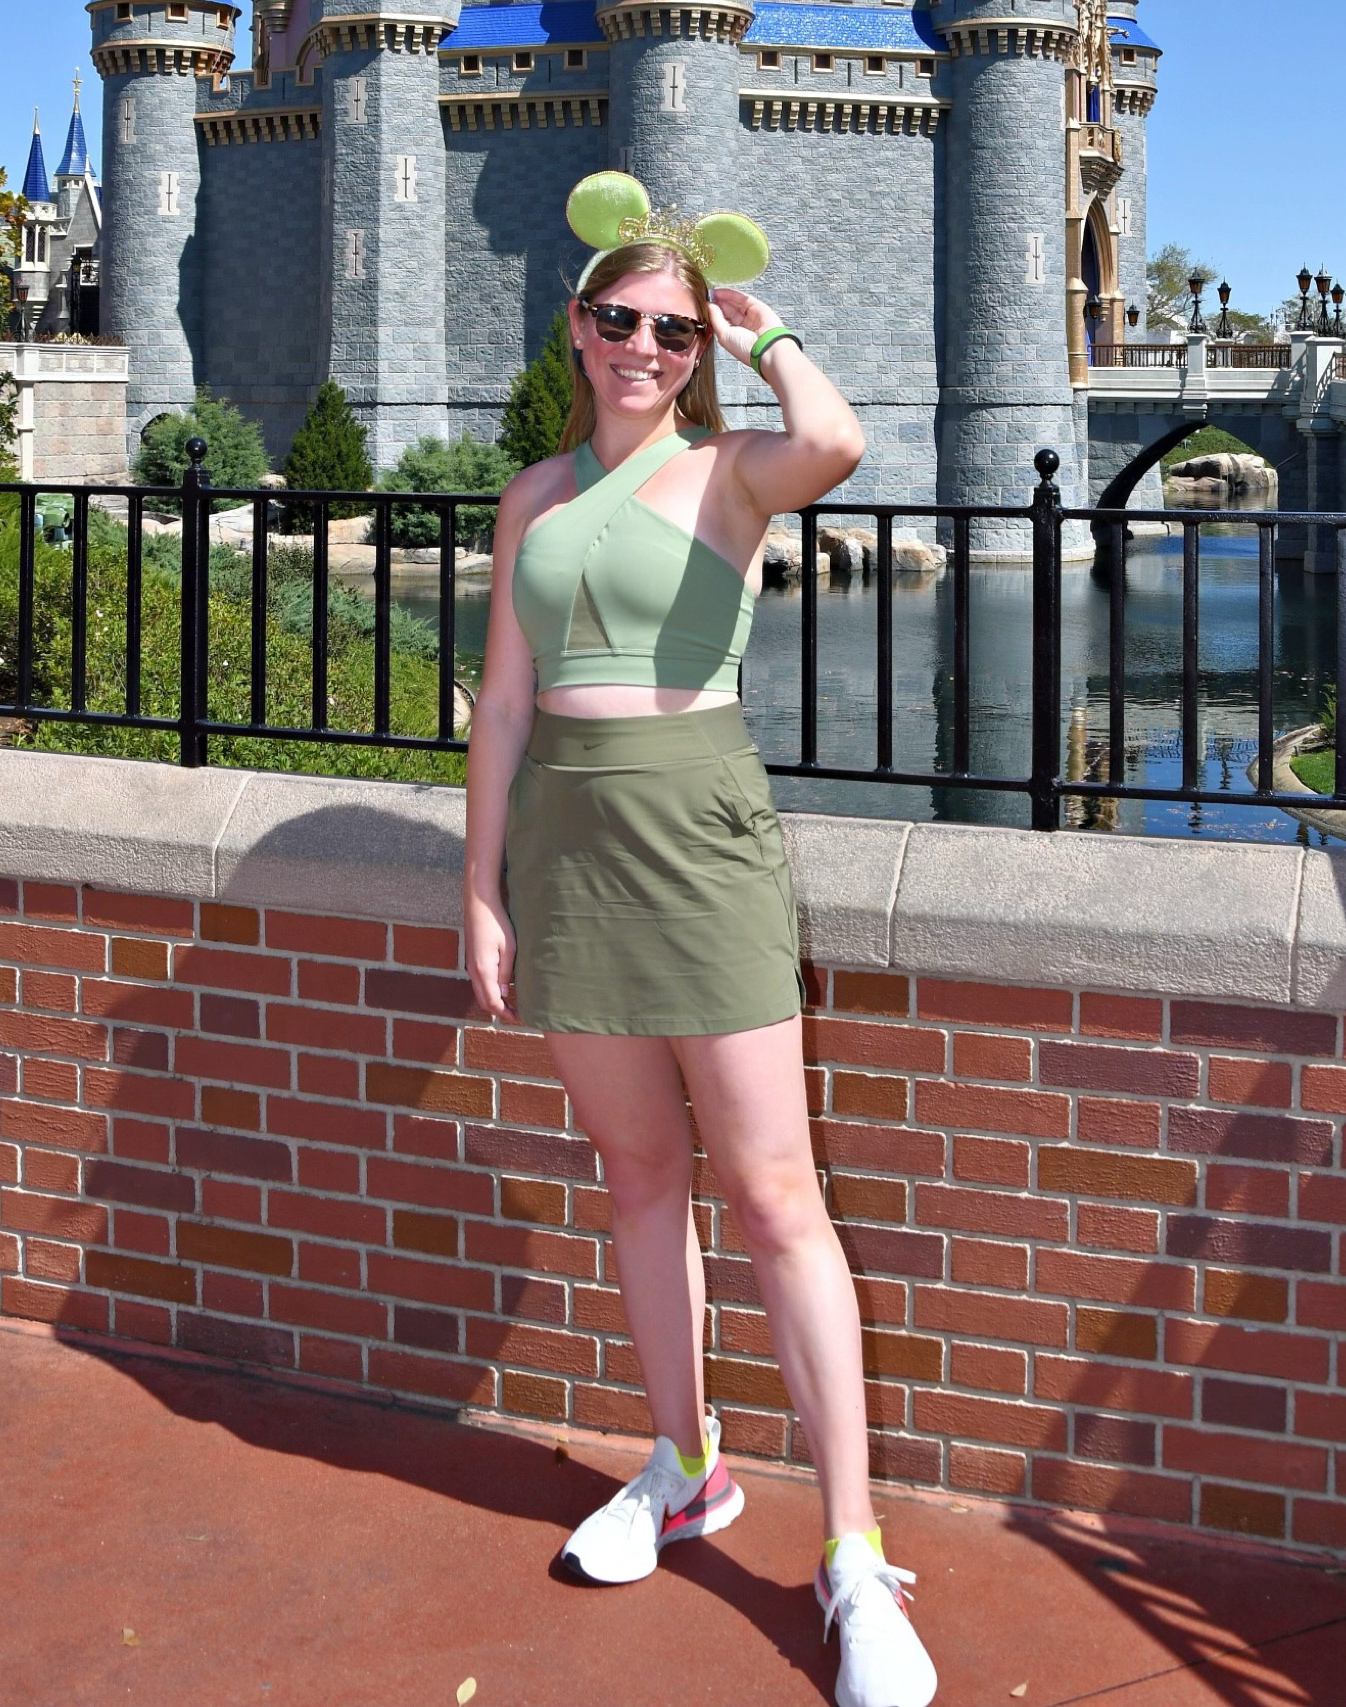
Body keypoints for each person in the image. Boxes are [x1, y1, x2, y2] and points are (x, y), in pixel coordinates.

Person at [463, 173, 937, 1707]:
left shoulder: (733, 468)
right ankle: (681, 1467)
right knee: (638, 1176)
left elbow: (841, 443)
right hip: (569, 851)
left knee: (777, 1194)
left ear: (698, 349)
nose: (642, 348)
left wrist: (765, 325)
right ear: (576, 326)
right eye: (618, 319)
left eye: (670, 330)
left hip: (699, 838)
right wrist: (480, 886)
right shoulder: (531, 495)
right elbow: (506, 708)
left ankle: (852, 1555)